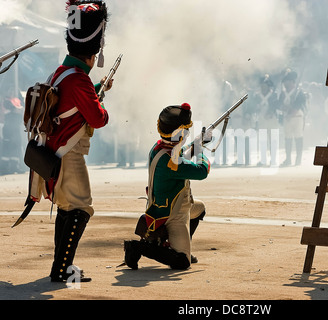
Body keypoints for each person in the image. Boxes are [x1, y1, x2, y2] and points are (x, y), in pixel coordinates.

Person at [26, 1, 111, 282]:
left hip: (55, 153)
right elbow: (98, 118)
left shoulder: (63, 72)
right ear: (93, 51)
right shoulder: (79, 81)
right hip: (69, 154)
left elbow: (73, 102)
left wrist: (98, 88)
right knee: (81, 208)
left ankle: (61, 266)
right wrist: (100, 100)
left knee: (67, 208)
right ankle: (62, 269)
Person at [124, 102, 210, 270]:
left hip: (170, 207)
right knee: (182, 263)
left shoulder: (159, 147)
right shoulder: (171, 162)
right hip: (173, 214)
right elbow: (202, 171)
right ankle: (138, 248)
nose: (186, 134)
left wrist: (196, 144)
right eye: (185, 131)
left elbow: (180, 151)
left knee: (200, 208)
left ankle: (181, 245)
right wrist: (200, 151)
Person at [278, 69, 307, 166]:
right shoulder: (283, 94)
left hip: (297, 117)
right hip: (287, 118)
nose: (285, 84)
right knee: (288, 139)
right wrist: (285, 108)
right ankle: (288, 159)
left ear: (291, 82)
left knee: (298, 137)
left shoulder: (299, 93)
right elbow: (280, 105)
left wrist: (291, 109)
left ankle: (298, 160)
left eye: (287, 81)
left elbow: (299, 106)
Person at [251, 74, 279, 166]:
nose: (263, 87)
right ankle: (263, 160)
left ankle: (273, 160)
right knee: (263, 141)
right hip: (262, 119)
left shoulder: (274, 95)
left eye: (265, 86)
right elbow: (254, 107)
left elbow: (275, 105)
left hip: (272, 119)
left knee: (273, 141)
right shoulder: (257, 96)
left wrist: (271, 111)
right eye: (262, 86)